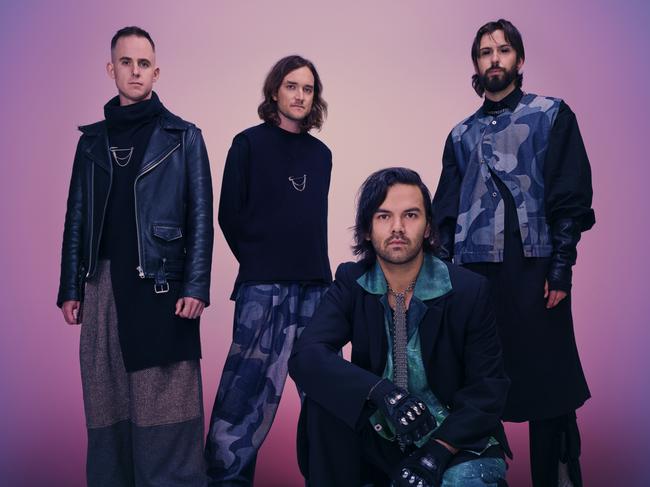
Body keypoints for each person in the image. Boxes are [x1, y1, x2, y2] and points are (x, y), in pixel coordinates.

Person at [431, 19, 595, 487]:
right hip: (475, 277)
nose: (494, 58)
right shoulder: (460, 135)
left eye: (503, 50)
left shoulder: (551, 115)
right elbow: (444, 214)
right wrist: (445, 279)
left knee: (551, 388)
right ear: (477, 66)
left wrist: (561, 268)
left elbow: (570, 196)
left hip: (536, 269)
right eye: (485, 52)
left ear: (519, 61)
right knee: (478, 384)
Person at [57, 26, 213, 487]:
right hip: (101, 285)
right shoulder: (90, 143)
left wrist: (196, 286)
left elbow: (200, 216)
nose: (135, 71)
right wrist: (70, 287)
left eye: (144, 63)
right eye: (126, 62)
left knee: (166, 399)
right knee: (107, 398)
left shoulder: (184, 136)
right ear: (111, 69)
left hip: (163, 286)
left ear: (156, 71)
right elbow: (76, 220)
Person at [289, 167, 510, 487]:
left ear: (428, 227)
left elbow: (488, 391)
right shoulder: (352, 281)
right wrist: (383, 393)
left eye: (410, 215)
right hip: (381, 436)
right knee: (324, 398)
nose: (397, 227)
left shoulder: (469, 290)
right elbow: (307, 356)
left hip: (452, 441)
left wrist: (436, 453)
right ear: (367, 229)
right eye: (383, 216)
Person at [204, 55, 332, 486]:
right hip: (264, 289)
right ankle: (225, 479)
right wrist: (259, 260)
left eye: (308, 88)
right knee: (245, 396)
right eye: (292, 86)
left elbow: (313, 223)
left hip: (315, 288)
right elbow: (228, 215)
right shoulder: (248, 144)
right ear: (275, 91)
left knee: (324, 396)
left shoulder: (321, 155)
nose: (299, 95)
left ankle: (329, 475)